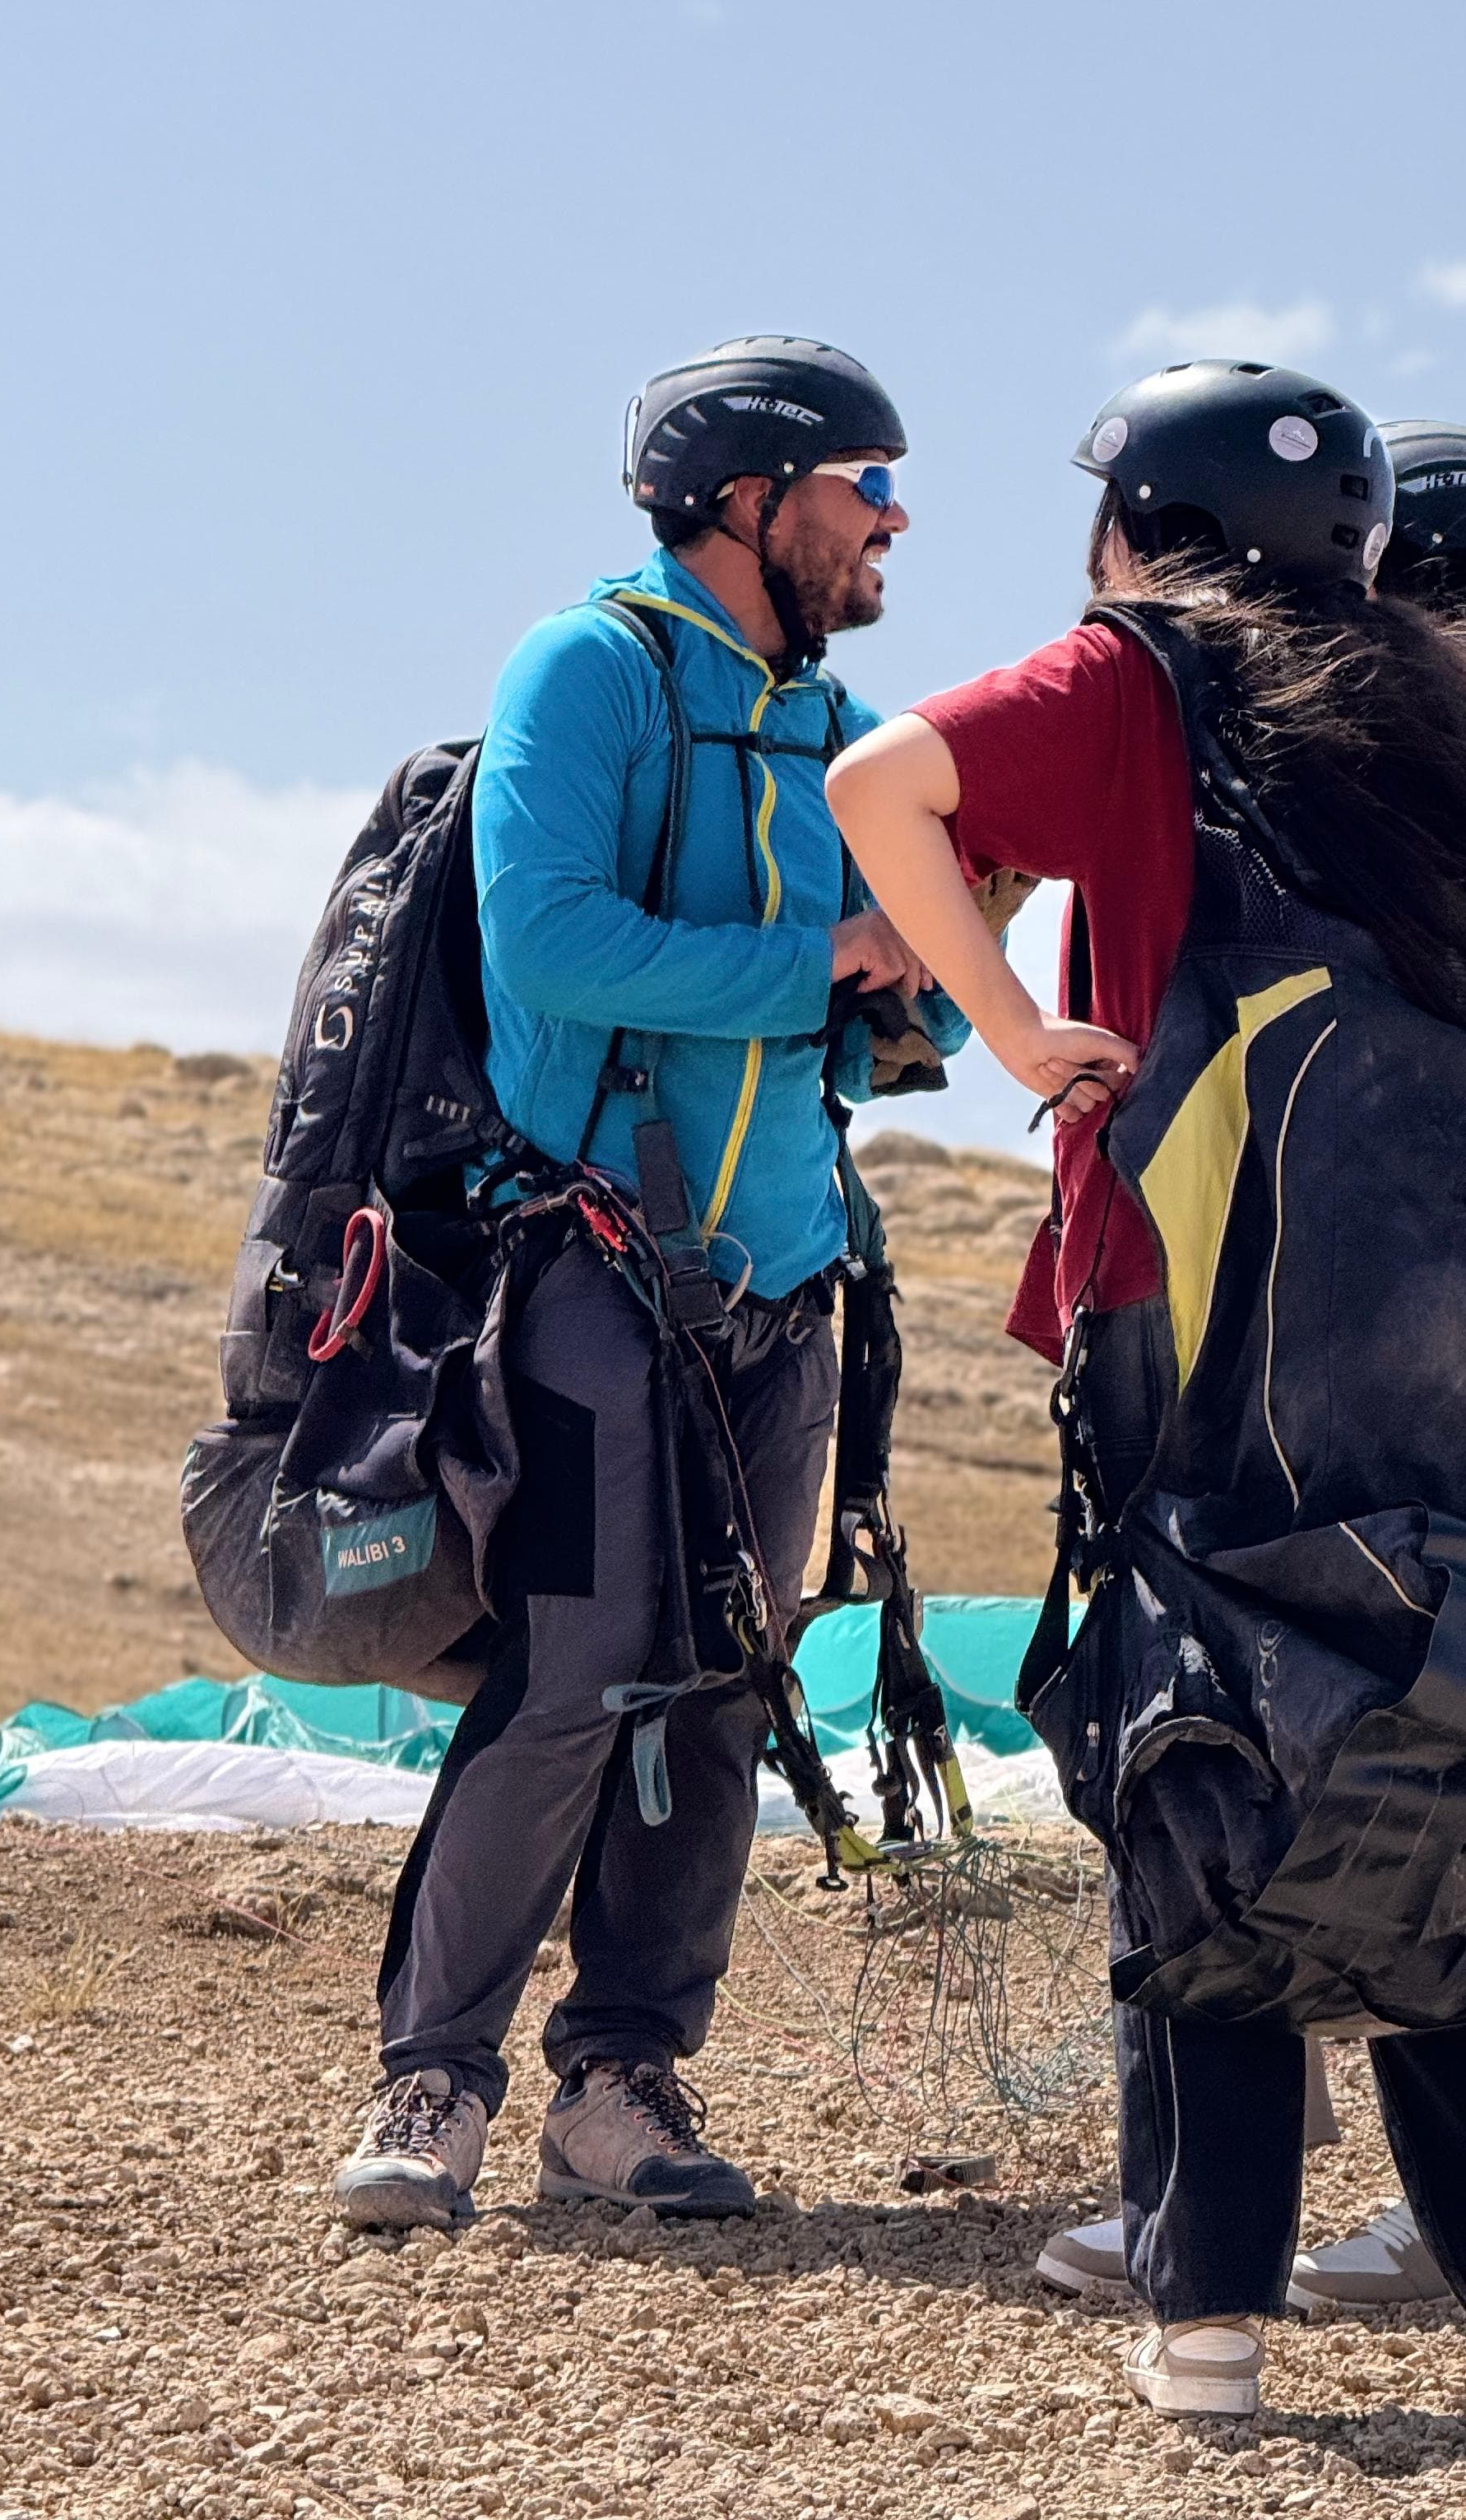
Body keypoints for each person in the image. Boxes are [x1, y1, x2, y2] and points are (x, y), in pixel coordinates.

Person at [828, 360, 1466, 2416]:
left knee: (1207, 1748)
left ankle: (1213, 2312)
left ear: (1140, 518)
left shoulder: (1143, 673)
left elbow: (882, 787)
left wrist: (1010, 1034)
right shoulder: (1445, 706)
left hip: (1217, 1313)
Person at [332, 336, 961, 2232]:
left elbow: (833, 1009)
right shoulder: (585, 667)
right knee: (577, 1674)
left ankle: (620, 2080)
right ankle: (430, 2084)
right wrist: (819, 957)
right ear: (747, 498)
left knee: (718, 1684)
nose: (894, 517)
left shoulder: (827, 719)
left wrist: (895, 998)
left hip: (787, 1281)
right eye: (864, 477)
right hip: (595, 1265)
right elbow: (552, 935)